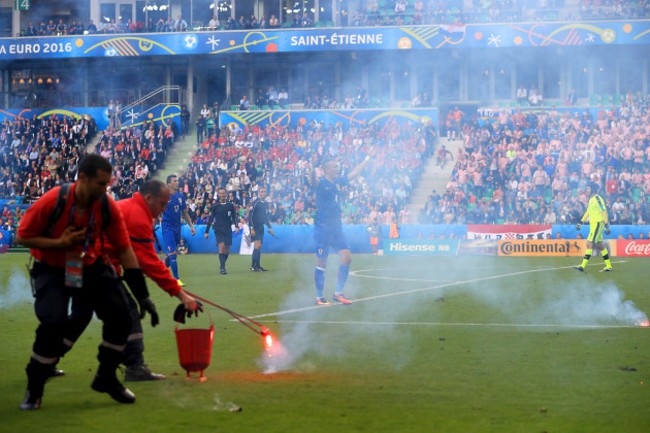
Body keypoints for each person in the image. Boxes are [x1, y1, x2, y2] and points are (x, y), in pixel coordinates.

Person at [16, 155, 153, 410]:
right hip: (51, 268)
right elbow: (22, 237)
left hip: (88, 265)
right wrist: (59, 244)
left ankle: (106, 377)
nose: (105, 189)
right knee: (54, 321)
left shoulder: (106, 206)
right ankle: (34, 389)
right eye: (100, 184)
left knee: (121, 315)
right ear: (82, 178)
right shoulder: (52, 201)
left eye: (107, 184)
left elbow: (125, 250)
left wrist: (142, 295)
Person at [111, 180, 199, 380]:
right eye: (162, 203)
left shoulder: (130, 208)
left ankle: (46, 362)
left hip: (96, 265)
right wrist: (182, 297)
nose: (165, 209)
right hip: (93, 265)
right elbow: (149, 262)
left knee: (79, 317)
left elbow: (137, 261)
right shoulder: (138, 217)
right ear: (149, 198)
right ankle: (127, 369)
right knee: (128, 313)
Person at [310, 154, 373, 305]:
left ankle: (338, 293)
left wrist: (366, 159)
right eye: (335, 166)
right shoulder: (321, 183)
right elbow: (312, 181)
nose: (338, 168)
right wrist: (311, 169)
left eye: (338, 166)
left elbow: (353, 174)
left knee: (347, 258)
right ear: (326, 169)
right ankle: (319, 297)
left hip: (337, 229)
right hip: (323, 229)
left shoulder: (337, 182)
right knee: (321, 264)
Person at [161, 175, 196, 286]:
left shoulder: (181, 196)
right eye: (175, 181)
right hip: (167, 228)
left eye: (177, 180)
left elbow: (185, 213)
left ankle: (160, 269)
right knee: (174, 254)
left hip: (177, 228)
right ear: (169, 184)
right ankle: (176, 279)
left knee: (171, 254)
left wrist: (191, 226)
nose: (177, 182)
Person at [574, 188, 613, 272]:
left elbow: (604, 210)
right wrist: (580, 222)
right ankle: (609, 266)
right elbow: (587, 212)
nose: (587, 190)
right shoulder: (591, 199)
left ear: (593, 190)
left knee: (589, 244)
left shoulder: (597, 198)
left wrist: (606, 224)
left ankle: (582, 266)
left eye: (588, 189)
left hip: (598, 223)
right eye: (587, 189)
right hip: (593, 225)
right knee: (600, 245)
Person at [204, 188, 239, 274]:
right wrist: (206, 231)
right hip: (218, 229)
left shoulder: (230, 205)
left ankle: (222, 265)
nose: (222, 195)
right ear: (218, 195)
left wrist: (237, 226)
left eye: (223, 193)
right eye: (220, 193)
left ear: (226, 194)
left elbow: (234, 217)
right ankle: (222, 268)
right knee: (222, 247)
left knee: (227, 250)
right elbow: (211, 219)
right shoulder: (215, 206)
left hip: (228, 229)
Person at [249, 187, 274, 271]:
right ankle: (253, 266)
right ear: (259, 193)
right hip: (255, 227)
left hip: (261, 227)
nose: (263, 193)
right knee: (257, 245)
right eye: (262, 192)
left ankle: (257, 265)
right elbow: (250, 216)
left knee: (259, 247)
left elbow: (265, 217)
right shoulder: (255, 203)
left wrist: (269, 228)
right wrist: (251, 228)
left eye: (265, 192)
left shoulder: (265, 204)